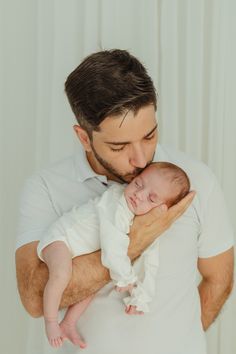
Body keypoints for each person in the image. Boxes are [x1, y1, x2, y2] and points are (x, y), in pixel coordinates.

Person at [15, 49, 234, 354]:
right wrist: (136, 239)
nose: (142, 159)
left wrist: (182, 340)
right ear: (83, 137)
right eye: (119, 146)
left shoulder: (197, 180)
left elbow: (218, 278)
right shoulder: (45, 188)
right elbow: (35, 299)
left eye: (149, 135)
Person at [37, 161, 190, 348]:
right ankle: (51, 322)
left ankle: (68, 323)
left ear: (162, 210)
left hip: (80, 252)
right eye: (138, 184)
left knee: (91, 287)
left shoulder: (145, 223)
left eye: (151, 198)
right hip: (60, 238)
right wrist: (125, 278)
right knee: (61, 274)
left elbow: (150, 261)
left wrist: (141, 297)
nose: (139, 195)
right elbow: (112, 245)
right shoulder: (117, 201)